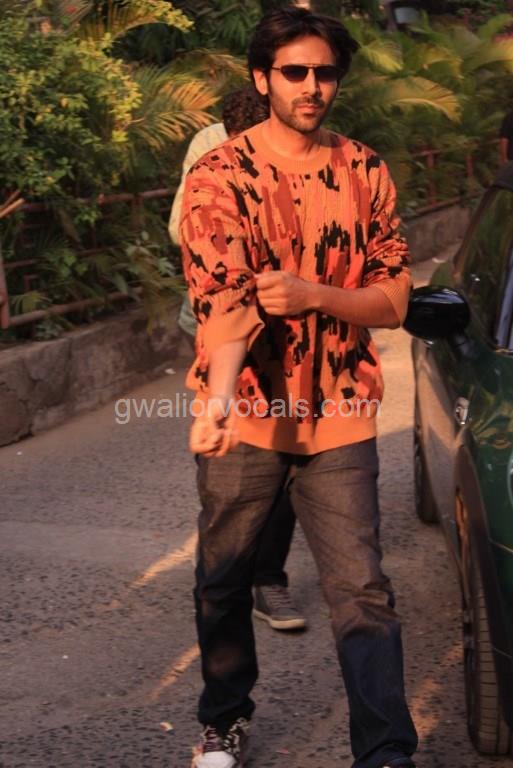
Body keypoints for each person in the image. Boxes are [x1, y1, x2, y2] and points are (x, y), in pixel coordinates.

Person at [180, 6, 418, 768]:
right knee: (223, 581)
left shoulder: (364, 169)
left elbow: (392, 298)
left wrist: (316, 295)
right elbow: (223, 298)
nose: (311, 87)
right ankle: (224, 719)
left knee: (362, 593)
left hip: (339, 412)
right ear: (262, 79)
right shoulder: (221, 174)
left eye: (325, 73)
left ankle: (385, 751)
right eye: (294, 73)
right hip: (248, 414)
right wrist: (219, 399)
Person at [170, 87, 305, 632]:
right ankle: (224, 576)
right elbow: (180, 226)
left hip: (292, 329)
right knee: (227, 461)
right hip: (214, 321)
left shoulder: (306, 145)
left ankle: (268, 580)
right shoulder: (208, 146)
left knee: (287, 453)